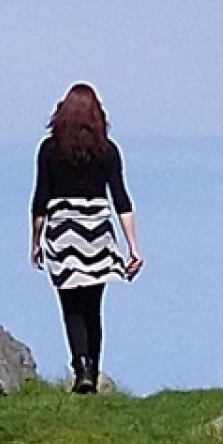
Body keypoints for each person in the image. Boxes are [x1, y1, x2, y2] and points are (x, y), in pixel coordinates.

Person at [30, 83, 142, 393]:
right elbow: (121, 199)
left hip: (63, 234)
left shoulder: (49, 150)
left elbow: (41, 199)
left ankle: (79, 366)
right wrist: (133, 247)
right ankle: (92, 370)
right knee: (94, 305)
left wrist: (35, 240)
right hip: (97, 235)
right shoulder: (108, 151)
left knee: (71, 305)